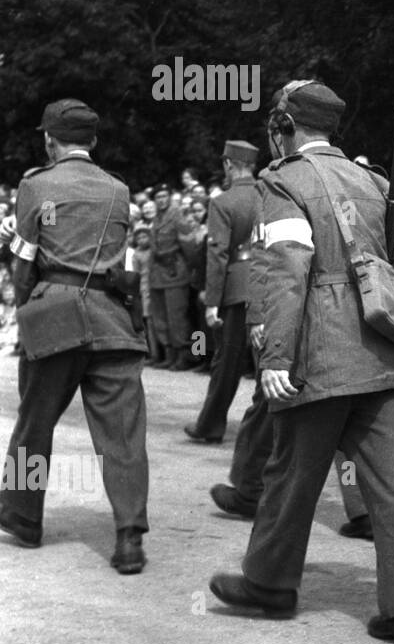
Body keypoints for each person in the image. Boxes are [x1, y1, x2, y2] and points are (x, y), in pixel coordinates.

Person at [209, 80, 394, 644]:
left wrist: (275, 356)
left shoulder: (284, 181)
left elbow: (287, 267)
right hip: (386, 352)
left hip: (321, 352)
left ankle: (270, 584)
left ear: (286, 127)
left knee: (290, 473)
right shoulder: (375, 180)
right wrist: (377, 289)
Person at [0, 99, 150, 574]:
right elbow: (126, 262)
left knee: (34, 422)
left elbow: (23, 264)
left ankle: (24, 517)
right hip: (114, 322)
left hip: (56, 315)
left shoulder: (35, 185)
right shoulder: (118, 190)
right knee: (123, 435)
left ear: (49, 139)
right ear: (94, 142)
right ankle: (129, 538)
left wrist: (29, 313)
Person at [184, 140, 260, 443]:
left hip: (238, 287)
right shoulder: (271, 195)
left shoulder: (223, 202)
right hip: (271, 282)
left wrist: (212, 301)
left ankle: (210, 426)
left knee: (226, 362)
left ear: (229, 164)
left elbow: (217, 254)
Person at [148, 185, 200, 369]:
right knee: (161, 318)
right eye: (158, 197)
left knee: (178, 317)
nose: (161, 200)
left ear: (170, 197)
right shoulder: (156, 218)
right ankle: (170, 354)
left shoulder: (177, 216)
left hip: (175, 271)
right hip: (158, 274)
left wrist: (193, 268)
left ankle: (190, 355)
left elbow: (190, 246)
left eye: (164, 196)